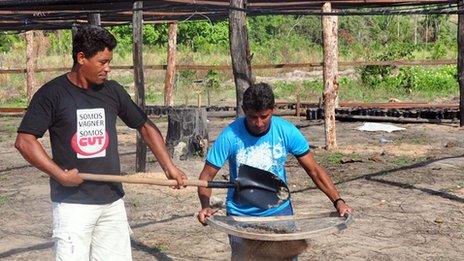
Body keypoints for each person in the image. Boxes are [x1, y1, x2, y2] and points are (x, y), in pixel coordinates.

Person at [15, 25, 187, 260]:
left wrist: (169, 167)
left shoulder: (112, 91)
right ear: (81, 58)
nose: (107, 68)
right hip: (73, 206)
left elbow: (145, 127)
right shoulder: (52, 94)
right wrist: (60, 175)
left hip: (112, 201)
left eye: (110, 62)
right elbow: (25, 141)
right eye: (102, 62)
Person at [197, 82, 353, 260]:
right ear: (243, 110)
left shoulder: (286, 131)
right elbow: (206, 178)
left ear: (273, 109)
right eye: (252, 117)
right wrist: (205, 206)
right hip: (241, 219)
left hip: (279, 214)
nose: (258, 123)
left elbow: (314, 171)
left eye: (264, 116)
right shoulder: (230, 135)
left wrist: (338, 201)